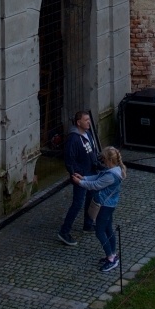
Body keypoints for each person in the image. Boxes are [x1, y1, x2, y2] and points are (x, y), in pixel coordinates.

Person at [72, 146, 127, 273]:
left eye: (103, 158)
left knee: (100, 231)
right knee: (108, 229)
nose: (101, 161)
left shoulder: (111, 175)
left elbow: (95, 185)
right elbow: (97, 177)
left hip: (105, 205)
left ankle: (111, 258)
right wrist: (83, 178)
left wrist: (79, 183)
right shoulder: (114, 170)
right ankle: (113, 254)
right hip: (109, 204)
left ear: (108, 160)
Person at [58, 111, 100, 246]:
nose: (89, 122)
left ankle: (88, 224)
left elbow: (92, 151)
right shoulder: (73, 139)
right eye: (86, 120)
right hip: (81, 175)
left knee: (91, 199)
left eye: (89, 119)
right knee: (77, 203)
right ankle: (64, 231)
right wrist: (74, 173)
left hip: (91, 172)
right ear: (78, 122)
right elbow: (69, 159)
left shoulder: (87, 134)